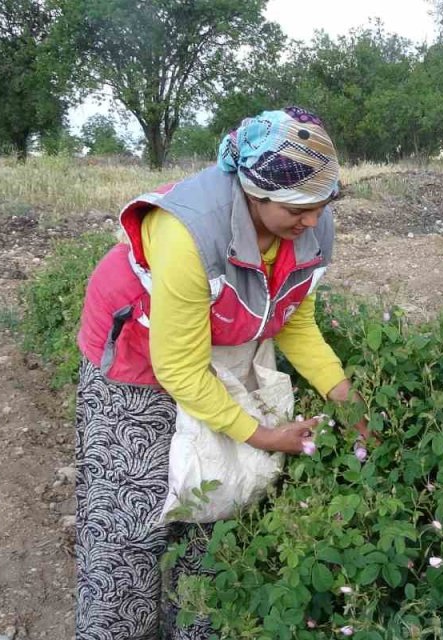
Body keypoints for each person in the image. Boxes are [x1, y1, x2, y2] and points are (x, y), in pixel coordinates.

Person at [72, 107, 364, 638]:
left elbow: (294, 320)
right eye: (297, 208)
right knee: (136, 513)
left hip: (216, 353)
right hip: (138, 360)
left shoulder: (311, 221)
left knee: (212, 504)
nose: (310, 220)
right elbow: (179, 367)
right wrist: (264, 435)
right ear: (253, 193)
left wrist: (346, 399)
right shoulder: (190, 231)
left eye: (321, 205)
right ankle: (117, 625)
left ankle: (195, 628)